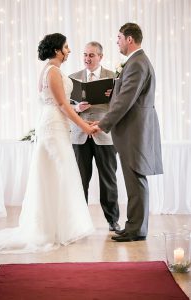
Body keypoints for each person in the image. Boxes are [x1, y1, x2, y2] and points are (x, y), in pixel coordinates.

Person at [0, 33, 94, 254]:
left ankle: (57, 227)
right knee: (60, 174)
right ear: (57, 50)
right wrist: (84, 126)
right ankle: (53, 229)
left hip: (54, 124)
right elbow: (62, 105)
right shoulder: (53, 71)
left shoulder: (49, 70)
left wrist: (78, 109)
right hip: (54, 128)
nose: (69, 51)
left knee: (56, 175)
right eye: (66, 47)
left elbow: (58, 104)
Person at [94, 23, 163, 242]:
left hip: (134, 131)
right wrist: (114, 90)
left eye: (119, 38)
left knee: (135, 178)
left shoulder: (137, 63)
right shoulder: (137, 62)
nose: (117, 42)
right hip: (133, 130)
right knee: (133, 179)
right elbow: (125, 94)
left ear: (129, 39)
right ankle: (133, 225)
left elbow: (125, 101)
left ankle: (136, 229)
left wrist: (103, 123)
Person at [69, 41, 120, 232]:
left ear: (101, 57)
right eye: (84, 55)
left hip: (104, 134)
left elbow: (121, 106)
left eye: (91, 55)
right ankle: (78, 221)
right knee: (80, 180)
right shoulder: (73, 78)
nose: (87, 59)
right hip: (80, 135)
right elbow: (63, 105)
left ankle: (112, 220)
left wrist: (114, 95)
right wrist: (77, 107)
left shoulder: (114, 78)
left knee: (108, 179)